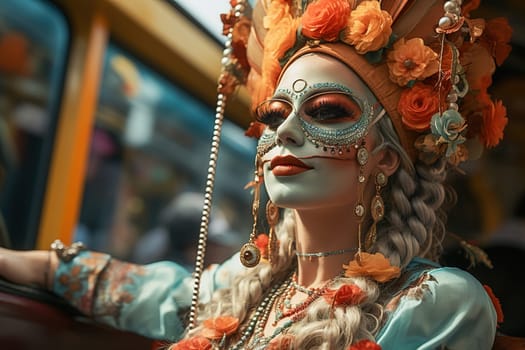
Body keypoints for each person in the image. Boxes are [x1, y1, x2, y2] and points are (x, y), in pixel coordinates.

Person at [0, 0, 515, 348]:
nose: (283, 133)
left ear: (386, 156)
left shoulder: (436, 304)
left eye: (327, 111)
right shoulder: (251, 284)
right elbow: (155, 293)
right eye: (274, 114)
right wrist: (45, 267)